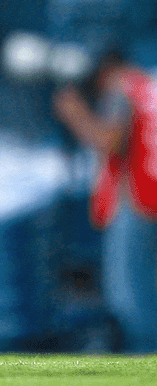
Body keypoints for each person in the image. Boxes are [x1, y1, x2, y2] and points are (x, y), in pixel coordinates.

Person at [53, 48, 157, 353]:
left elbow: (109, 140)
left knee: (129, 299)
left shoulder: (121, 89)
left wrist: (75, 114)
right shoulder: (147, 87)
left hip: (135, 203)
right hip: (151, 195)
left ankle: (144, 364)